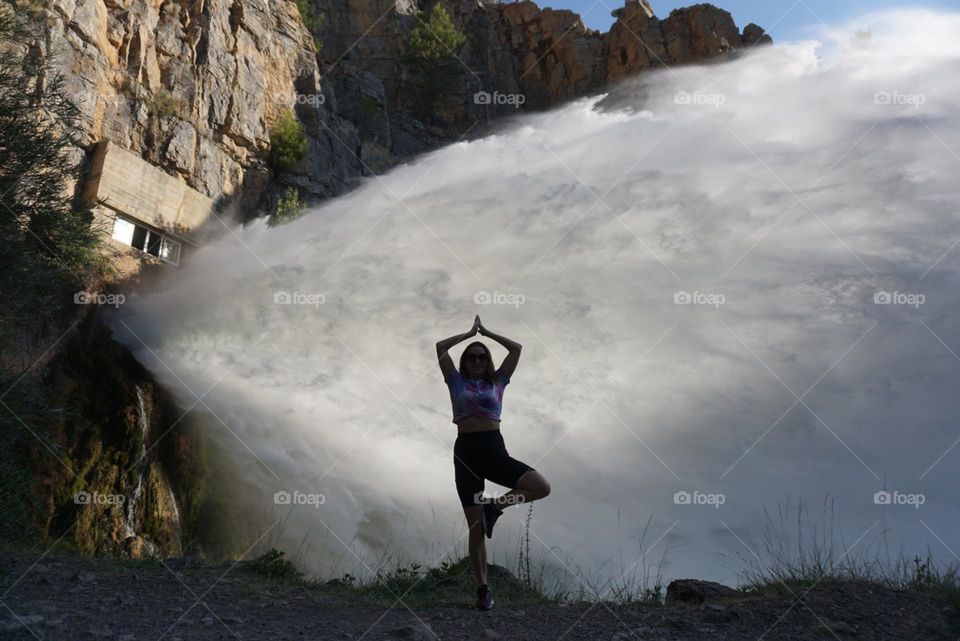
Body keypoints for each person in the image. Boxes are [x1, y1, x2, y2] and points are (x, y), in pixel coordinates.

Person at [435, 315, 551, 610]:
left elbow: (516, 349)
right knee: (475, 528)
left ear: (488, 361)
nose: (476, 360)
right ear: (465, 361)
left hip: (493, 449)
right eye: (472, 357)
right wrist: (466, 335)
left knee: (540, 486)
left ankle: (494, 507)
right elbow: (439, 348)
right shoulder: (455, 380)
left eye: (481, 356)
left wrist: (486, 333)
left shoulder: (498, 380)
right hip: (466, 454)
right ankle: (483, 590)